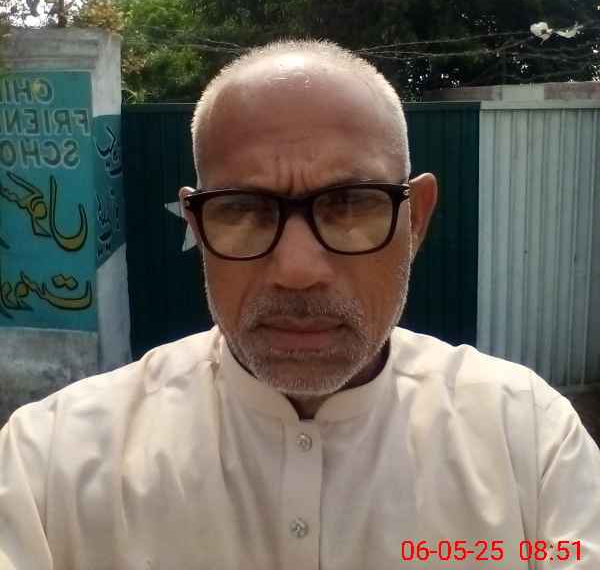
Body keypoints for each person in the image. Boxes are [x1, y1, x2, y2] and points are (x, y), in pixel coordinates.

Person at [0, 38, 599, 570]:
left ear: (414, 220)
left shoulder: (528, 442)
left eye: (349, 204)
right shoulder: (49, 465)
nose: (297, 271)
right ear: (196, 224)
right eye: (244, 209)